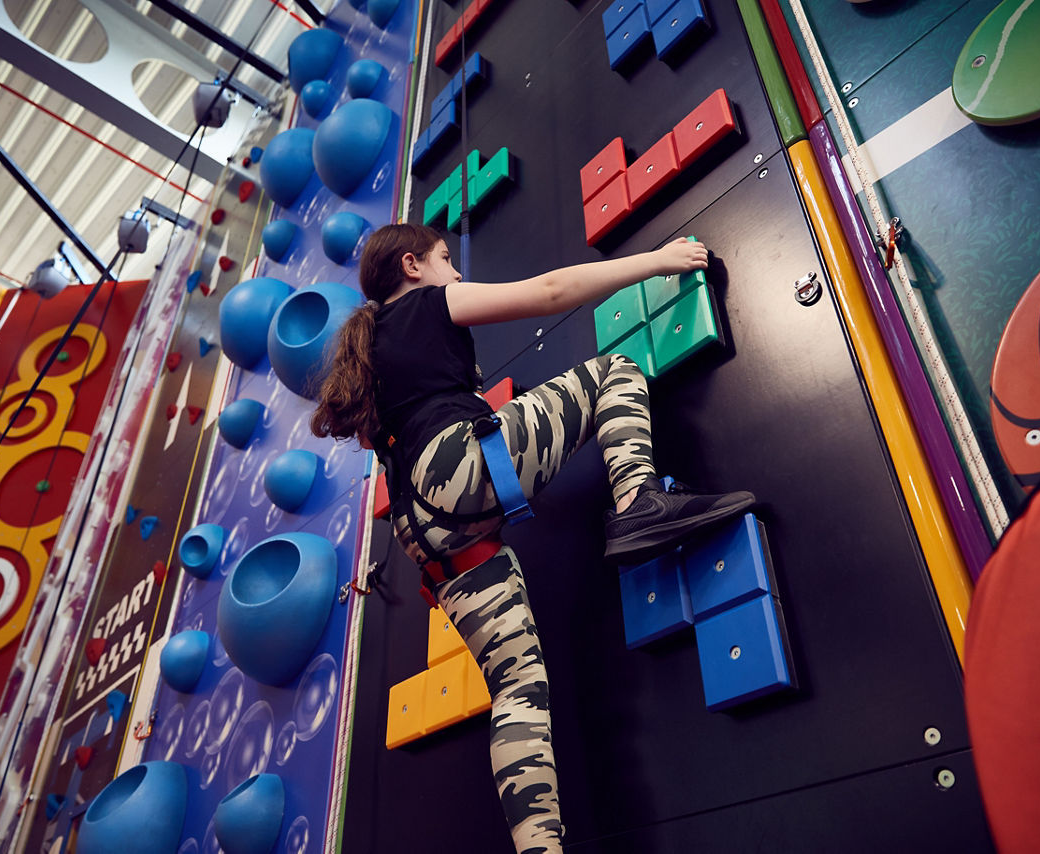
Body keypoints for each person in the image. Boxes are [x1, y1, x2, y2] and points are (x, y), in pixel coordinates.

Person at [311, 223, 754, 854]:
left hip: (425, 534)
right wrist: (656, 261)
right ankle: (639, 501)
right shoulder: (426, 305)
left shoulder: (369, 359)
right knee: (615, 373)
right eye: (446, 260)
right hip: (459, 467)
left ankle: (539, 848)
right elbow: (551, 290)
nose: (456, 275)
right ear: (411, 265)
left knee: (517, 685)